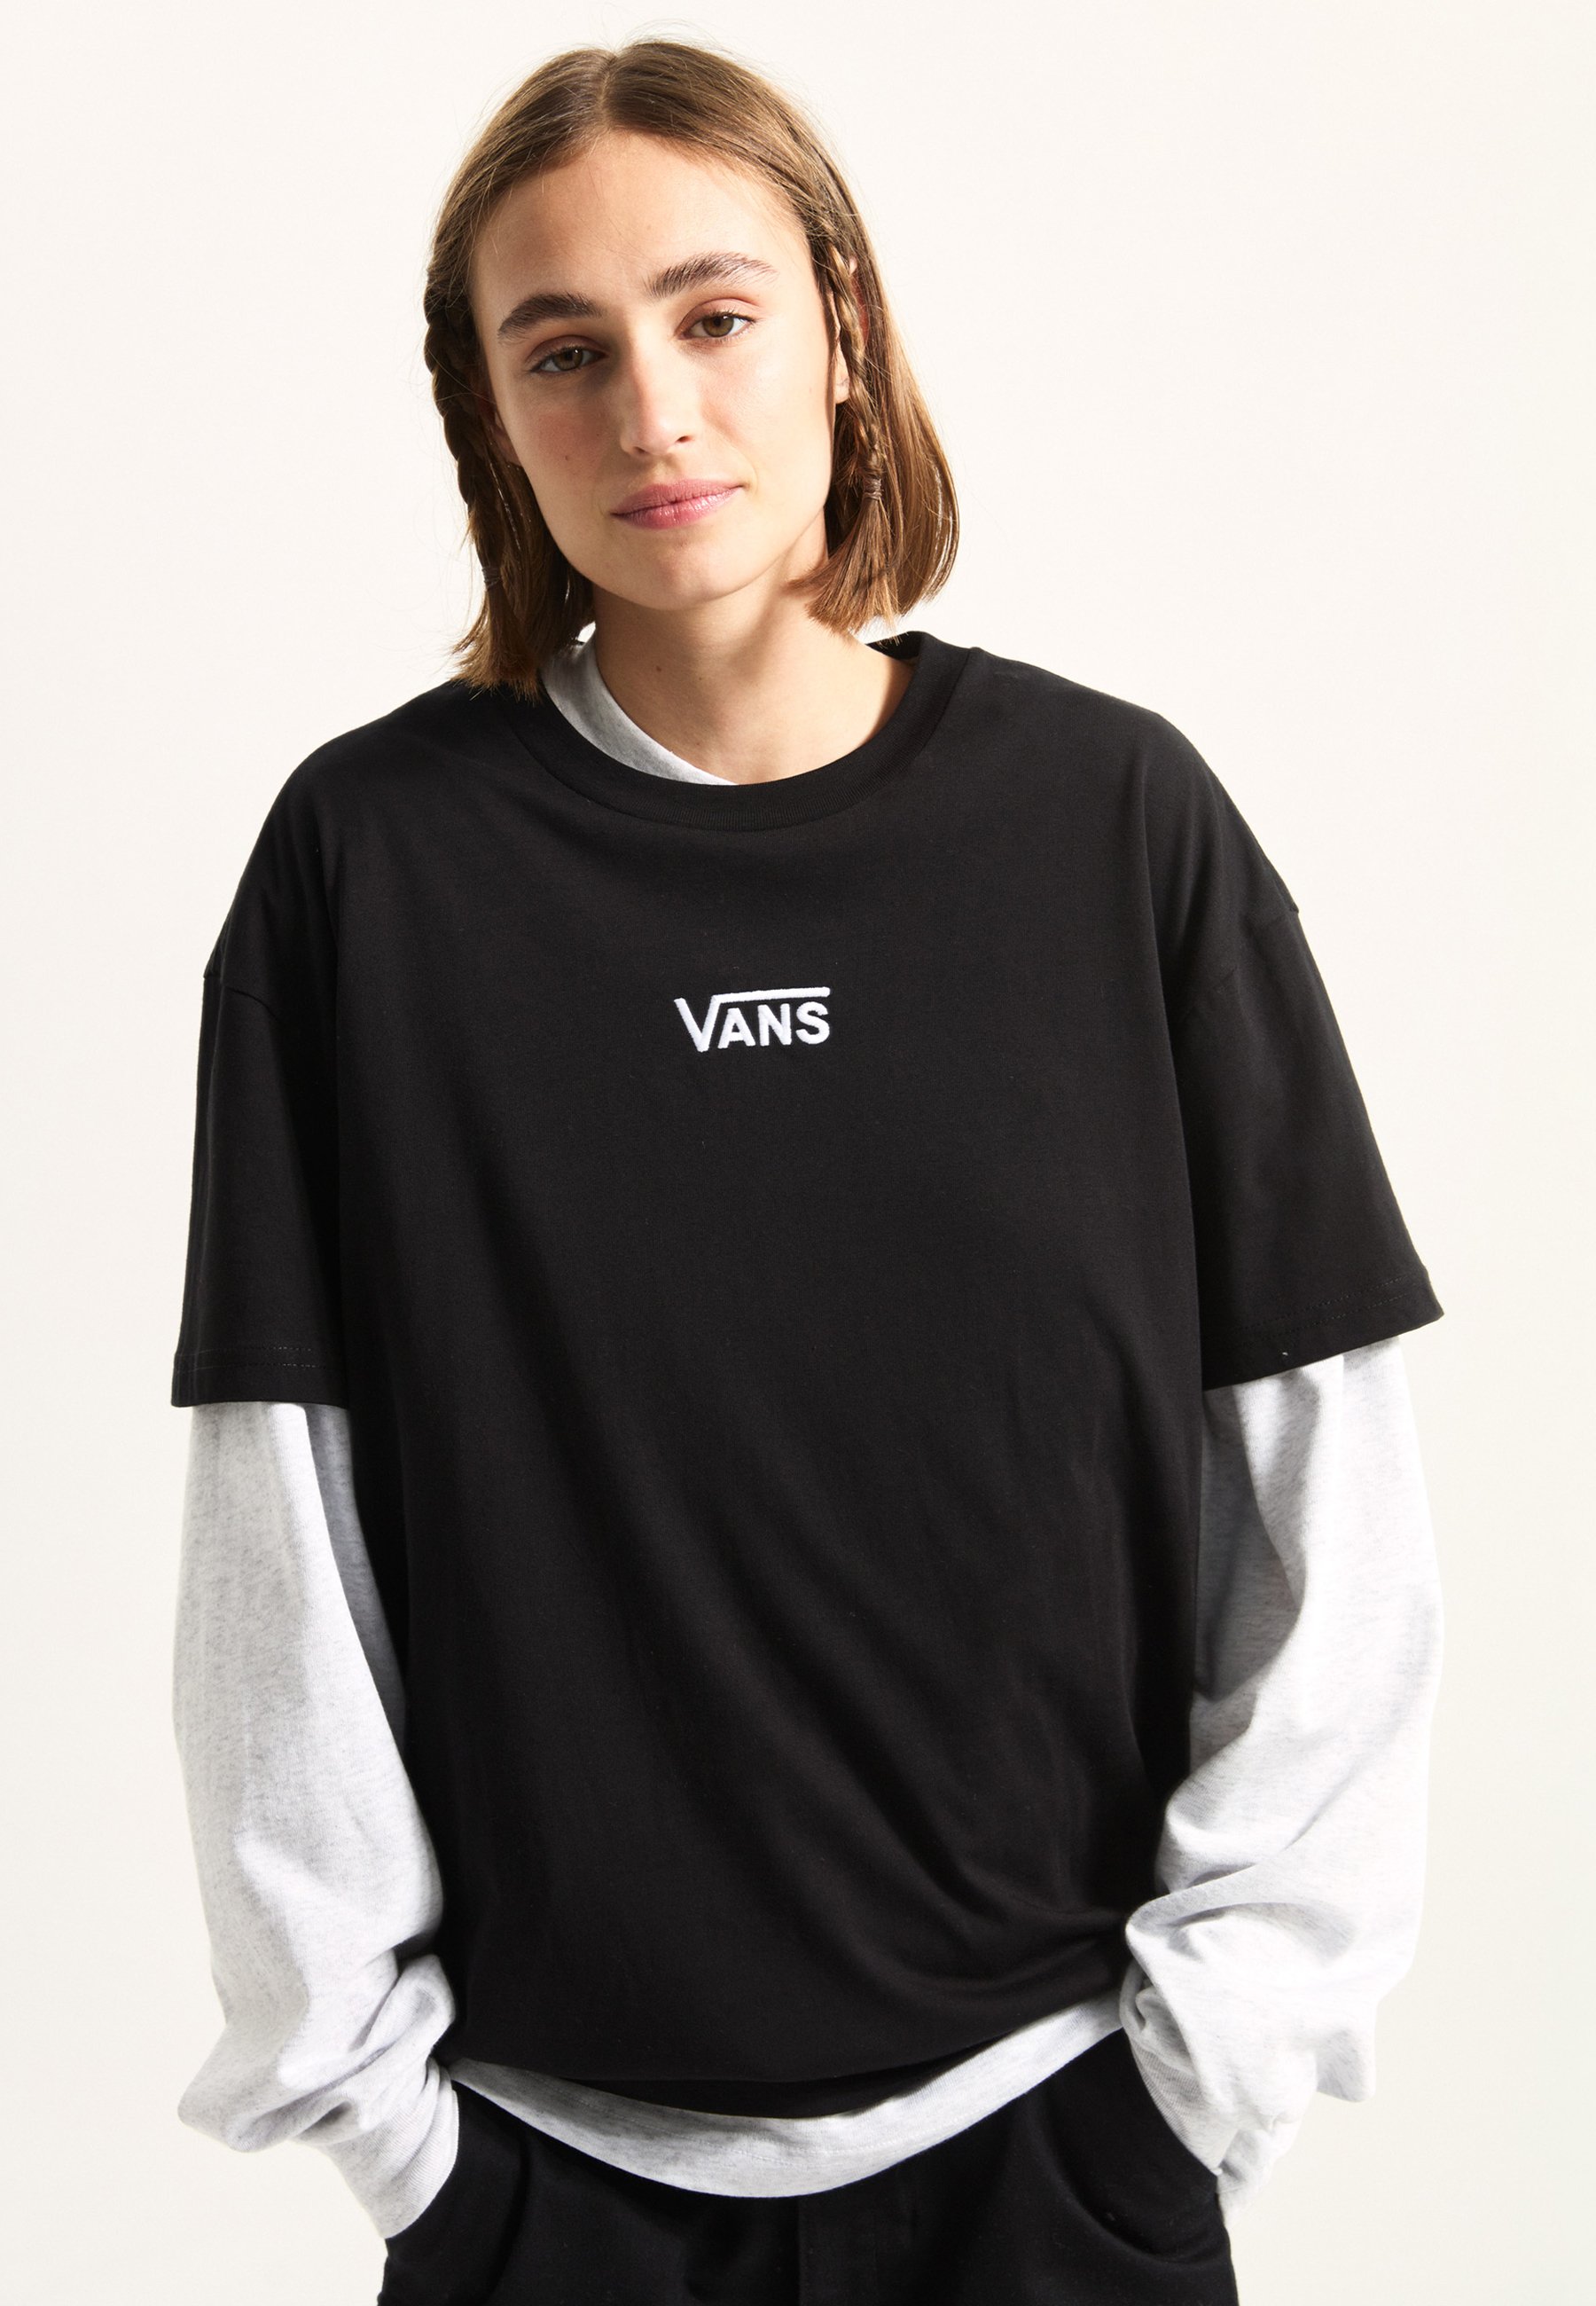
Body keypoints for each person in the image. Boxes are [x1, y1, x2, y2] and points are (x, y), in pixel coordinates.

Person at [168, 36, 1445, 2306]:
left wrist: (1200, 2083)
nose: (652, 409)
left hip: (1061, 2152)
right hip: (546, 2185)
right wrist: (397, 2139)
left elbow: (1326, 1502)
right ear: (489, 410)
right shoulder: (370, 872)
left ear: (841, 329)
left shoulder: (1117, 830)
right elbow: (281, 1528)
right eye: (563, 350)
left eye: (716, 313)